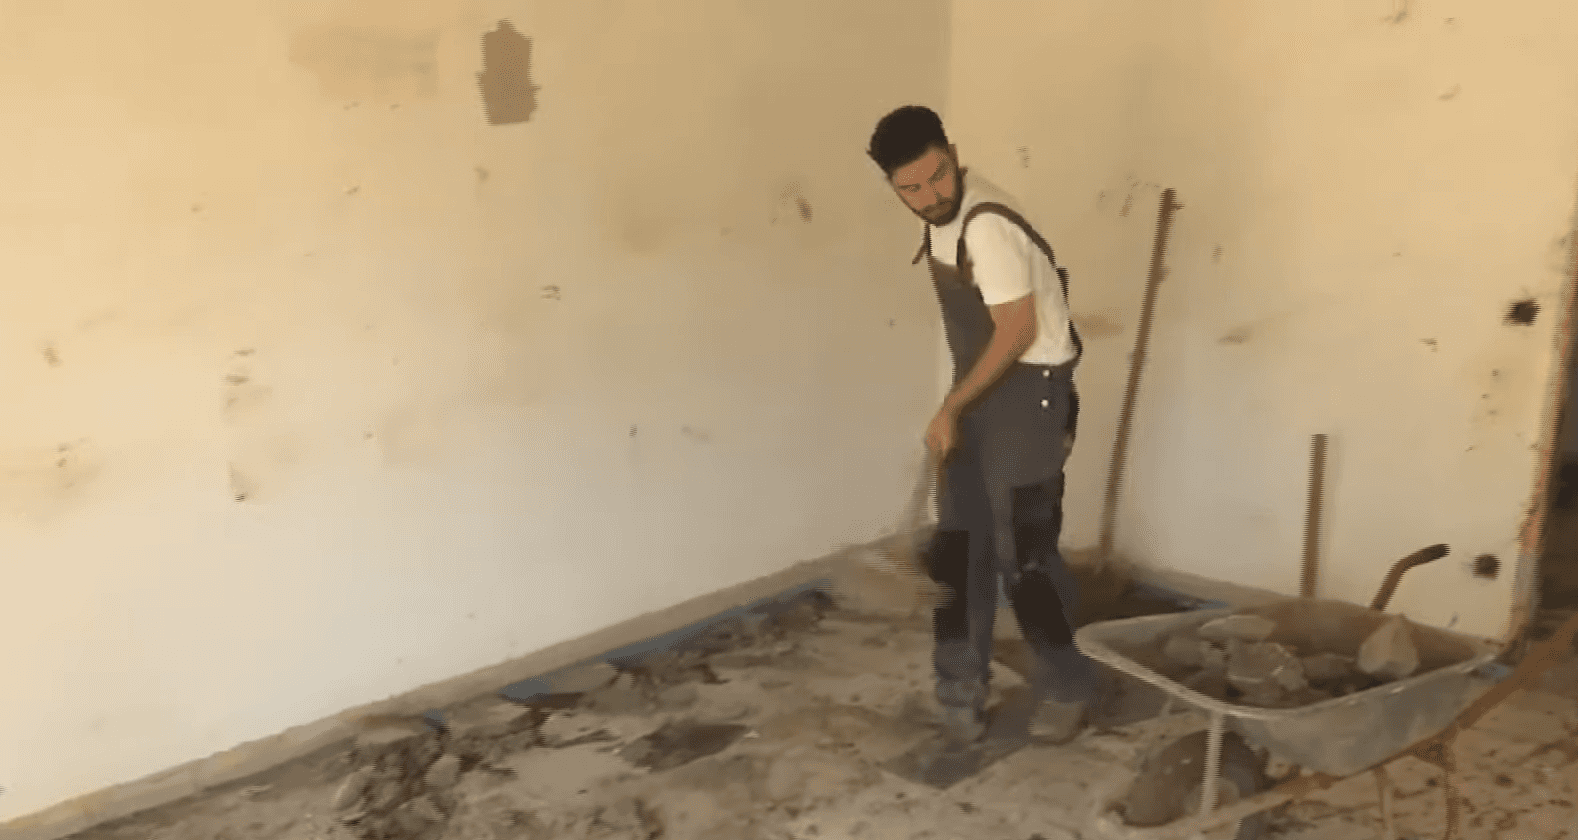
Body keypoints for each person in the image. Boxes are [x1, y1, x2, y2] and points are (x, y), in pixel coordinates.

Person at [867, 105, 1097, 745]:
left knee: (1024, 556)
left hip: (1033, 397)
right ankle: (960, 691)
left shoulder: (986, 225)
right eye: (910, 188)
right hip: (983, 391)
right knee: (960, 548)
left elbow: (1017, 330)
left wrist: (949, 407)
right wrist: (958, 406)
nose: (929, 197)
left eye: (938, 176)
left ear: (953, 153)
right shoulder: (938, 222)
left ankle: (1069, 686)